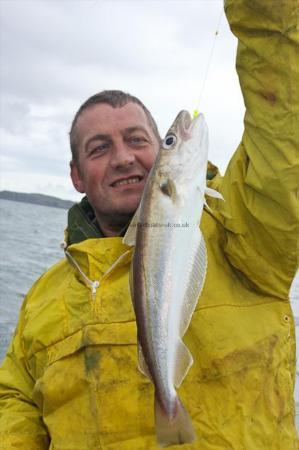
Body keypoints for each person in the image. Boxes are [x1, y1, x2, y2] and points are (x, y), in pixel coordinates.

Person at [0, 0, 298, 448]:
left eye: (138, 140)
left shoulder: (244, 233)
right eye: (99, 148)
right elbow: (15, 401)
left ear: (160, 153)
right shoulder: (43, 298)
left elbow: (285, 130)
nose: (123, 157)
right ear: (76, 176)